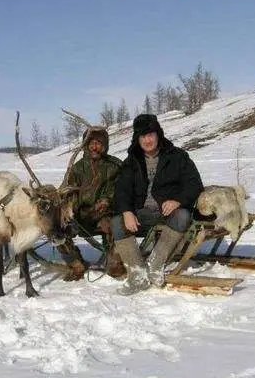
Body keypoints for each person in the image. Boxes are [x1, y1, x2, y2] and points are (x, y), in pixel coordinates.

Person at [111, 114, 204, 295]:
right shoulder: (131, 162)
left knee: (183, 215)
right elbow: (121, 190)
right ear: (137, 139)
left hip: (167, 212)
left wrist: (178, 201)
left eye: (151, 134)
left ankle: (155, 264)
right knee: (116, 222)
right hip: (141, 213)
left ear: (158, 135)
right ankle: (137, 274)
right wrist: (127, 211)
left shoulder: (178, 157)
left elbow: (194, 184)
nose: (147, 140)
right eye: (143, 136)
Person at [57, 126, 125, 281]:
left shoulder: (115, 166)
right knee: (58, 231)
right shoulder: (77, 168)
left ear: (105, 145)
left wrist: (108, 200)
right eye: (91, 143)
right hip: (80, 216)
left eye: (99, 143)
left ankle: (114, 263)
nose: (94, 147)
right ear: (85, 145)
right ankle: (75, 264)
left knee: (114, 225)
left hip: (104, 214)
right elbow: (67, 191)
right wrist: (69, 208)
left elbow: (122, 189)